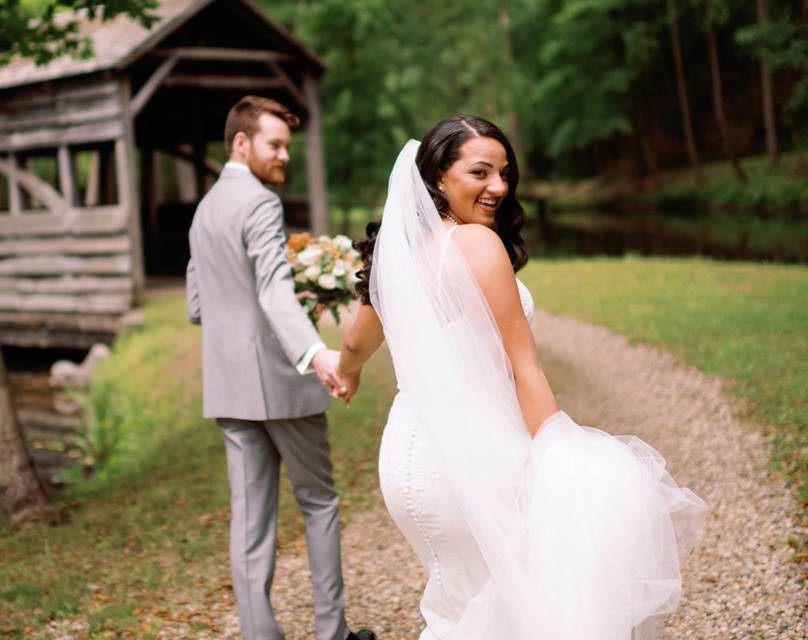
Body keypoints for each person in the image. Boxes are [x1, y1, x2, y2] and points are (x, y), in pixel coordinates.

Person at [337, 116, 706, 639]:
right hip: (468, 453)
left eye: (505, 173)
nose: (499, 188)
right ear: (438, 177)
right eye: (480, 172)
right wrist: (560, 456)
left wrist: (344, 374)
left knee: (458, 603)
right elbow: (522, 364)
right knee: (514, 604)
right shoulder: (476, 244)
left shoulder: (395, 258)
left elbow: (354, 346)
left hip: (405, 463)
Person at [185, 95, 374, 640]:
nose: (284, 156)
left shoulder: (204, 210)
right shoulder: (262, 204)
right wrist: (316, 352)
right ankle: (332, 633)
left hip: (228, 385)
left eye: (287, 146)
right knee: (319, 502)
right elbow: (271, 290)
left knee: (250, 522)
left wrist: (277, 306)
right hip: (280, 382)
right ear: (241, 143)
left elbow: (199, 306)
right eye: (275, 144)